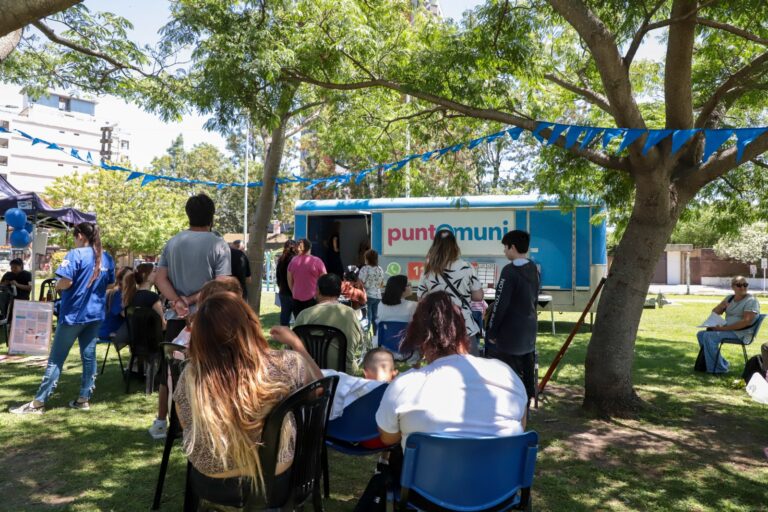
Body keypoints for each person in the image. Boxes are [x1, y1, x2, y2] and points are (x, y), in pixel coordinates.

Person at [174, 293, 323, 505]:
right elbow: (320, 388)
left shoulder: (191, 375)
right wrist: (298, 345)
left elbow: (184, 422)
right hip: (274, 482)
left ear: (200, 335)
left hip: (213, 483)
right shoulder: (287, 364)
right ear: (249, 324)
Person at [375, 291, 528, 449]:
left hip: (431, 472)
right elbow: (521, 426)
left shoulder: (404, 386)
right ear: (464, 332)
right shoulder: (505, 374)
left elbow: (388, 437)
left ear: (420, 340)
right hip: (501, 472)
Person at [10, 222, 114, 414]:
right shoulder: (106, 258)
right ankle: (84, 399)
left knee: (56, 359)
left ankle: (38, 403)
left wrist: (57, 285)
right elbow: (110, 285)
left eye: (74, 236)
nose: (74, 240)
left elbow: (66, 282)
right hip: (95, 315)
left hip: (74, 315)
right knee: (89, 357)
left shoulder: (75, 255)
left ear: (80, 235)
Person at [150, 193, 231, 438]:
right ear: (212, 216)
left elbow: (159, 278)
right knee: (209, 370)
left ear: (188, 214)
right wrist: (192, 300)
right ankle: (202, 423)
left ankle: (162, 422)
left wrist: (177, 301)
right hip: (207, 317)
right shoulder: (218, 244)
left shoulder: (173, 242)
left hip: (176, 317)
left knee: (170, 370)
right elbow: (222, 283)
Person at [148, 277, 242, 440]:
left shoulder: (191, 332)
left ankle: (160, 422)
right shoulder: (216, 341)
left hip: (185, 412)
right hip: (207, 417)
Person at [485, 230, 540, 401]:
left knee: (507, 378)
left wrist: (492, 332)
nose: (504, 251)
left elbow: (500, 304)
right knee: (526, 376)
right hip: (529, 332)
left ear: (512, 247)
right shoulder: (533, 268)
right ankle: (525, 409)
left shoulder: (509, 271)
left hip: (510, 335)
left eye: (505, 247)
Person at [416, 229, 484, 355]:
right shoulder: (466, 266)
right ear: (454, 246)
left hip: (438, 326)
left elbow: (421, 299)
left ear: (435, 246)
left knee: (441, 368)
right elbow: (478, 296)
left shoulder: (428, 270)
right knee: (469, 367)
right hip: (464, 325)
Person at [293, 273, 364, 374]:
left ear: (317, 290)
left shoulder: (304, 314)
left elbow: (292, 346)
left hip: (310, 373)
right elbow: (357, 342)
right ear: (339, 292)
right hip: (342, 374)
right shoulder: (350, 314)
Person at [696, 276, 760, 374]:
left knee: (709, 336)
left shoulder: (751, 301)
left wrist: (723, 329)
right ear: (733, 287)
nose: (742, 287)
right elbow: (715, 312)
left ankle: (719, 369)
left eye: (745, 285)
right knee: (701, 334)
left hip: (742, 333)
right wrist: (722, 306)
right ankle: (721, 364)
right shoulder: (730, 298)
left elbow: (746, 321)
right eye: (739, 285)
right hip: (728, 330)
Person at [287, 238, 326, 319]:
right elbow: (325, 281)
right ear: (310, 247)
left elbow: (289, 280)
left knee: (299, 325)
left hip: (296, 298)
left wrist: (294, 291)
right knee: (312, 325)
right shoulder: (317, 261)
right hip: (313, 298)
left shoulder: (293, 261)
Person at [97, 266, 134, 346]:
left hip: (112, 330)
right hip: (110, 331)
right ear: (121, 280)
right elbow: (124, 314)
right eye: (129, 278)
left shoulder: (124, 293)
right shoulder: (118, 293)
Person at [123, 263, 166, 330]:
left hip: (135, 338)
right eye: (154, 271)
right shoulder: (153, 297)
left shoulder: (131, 296)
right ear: (144, 275)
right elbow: (163, 326)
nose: (157, 274)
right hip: (153, 338)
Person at [358, 250, 386, 335]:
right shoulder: (380, 269)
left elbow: (360, 282)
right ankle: (376, 336)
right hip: (377, 296)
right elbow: (381, 284)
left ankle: (366, 337)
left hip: (368, 295)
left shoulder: (365, 269)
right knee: (375, 317)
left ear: (367, 258)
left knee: (367, 317)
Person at [275, 240, 297, 326]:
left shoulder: (281, 259)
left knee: (284, 315)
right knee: (298, 316)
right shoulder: (295, 259)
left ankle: (284, 336)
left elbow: (278, 276)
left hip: (283, 290)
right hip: (294, 291)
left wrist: (280, 286)